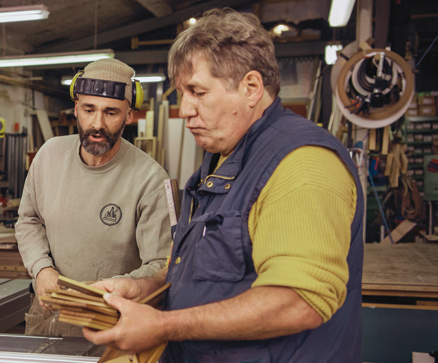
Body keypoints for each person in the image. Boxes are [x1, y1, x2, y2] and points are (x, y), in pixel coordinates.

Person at [83, 8, 364, 362]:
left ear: (250, 88)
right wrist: (144, 287)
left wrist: (164, 326)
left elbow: (297, 301)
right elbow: (205, 265)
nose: (184, 109)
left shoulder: (302, 164)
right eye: (181, 93)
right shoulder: (222, 159)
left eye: (197, 92)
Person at [16, 58, 172, 338]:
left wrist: (109, 288)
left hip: (110, 331)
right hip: (45, 322)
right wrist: (41, 270)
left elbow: (160, 264)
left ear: (129, 116)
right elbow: (28, 221)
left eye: (111, 112)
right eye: (89, 109)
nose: (97, 124)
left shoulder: (150, 179)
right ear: (76, 108)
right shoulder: (48, 156)